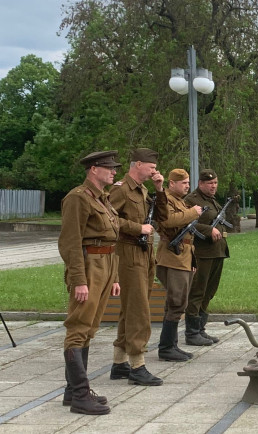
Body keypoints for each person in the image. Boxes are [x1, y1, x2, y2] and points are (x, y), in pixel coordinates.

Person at [58, 150, 122, 415]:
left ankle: (73, 391)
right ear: (93, 170)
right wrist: (79, 280)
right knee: (79, 326)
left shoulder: (102, 198)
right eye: (109, 168)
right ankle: (80, 396)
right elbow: (70, 242)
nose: (114, 171)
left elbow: (111, 236)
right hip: (89, 267)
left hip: (106, 265)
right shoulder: (77, 198)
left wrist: (115, 276)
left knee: (90, 327)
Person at [109, 148, 166, 386]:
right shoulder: (121, 189)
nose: (155, 171)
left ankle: (119, 362)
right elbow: (107, 218)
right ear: (138, 164)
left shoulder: (143, 190)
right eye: (151, 167)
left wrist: (160, 189)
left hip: (145, 254)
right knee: (139, 310)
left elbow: (161, 216)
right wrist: (137, 228)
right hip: (128, 253)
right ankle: (137, 365)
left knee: (131, 309)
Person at [154, 169, 203, 361]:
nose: (187, 186)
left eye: (188, 183)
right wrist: (193, 213)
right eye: (183, 183)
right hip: (172, 257)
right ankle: (166, 347)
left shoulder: (179, 201)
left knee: (178, 301)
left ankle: (171, 344)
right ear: (171, 183)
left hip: (183, 256)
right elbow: (168, 221)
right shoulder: (165, 199)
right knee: (176, 302)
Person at [183, 169, 230, 346]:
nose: (213, 186)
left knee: (209, 291)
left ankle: (201, 329)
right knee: (198, 290)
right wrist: (208, 230)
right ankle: (192, 332)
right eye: (210, 183)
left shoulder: (212, 201)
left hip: (217, 251)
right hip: (202, 253)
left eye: (215, 183)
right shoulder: (191, 200)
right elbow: (187, 223)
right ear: (201, 183)